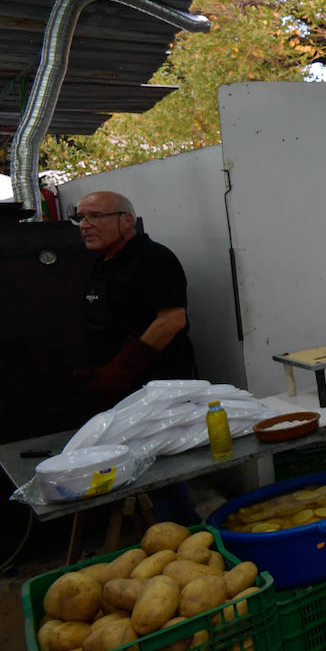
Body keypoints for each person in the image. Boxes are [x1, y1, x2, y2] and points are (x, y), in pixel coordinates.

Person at [75, 190, 199, 524]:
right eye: (81, 218)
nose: (85, 225)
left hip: (155, 384)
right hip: (117, 385)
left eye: (95, 216)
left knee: (160, 465)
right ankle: (159, 528)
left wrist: (122, 367)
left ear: (126, 220)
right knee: (134, 463)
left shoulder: (153, 258)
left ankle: (185, 530)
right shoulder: (101, 264)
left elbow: (173, 319)